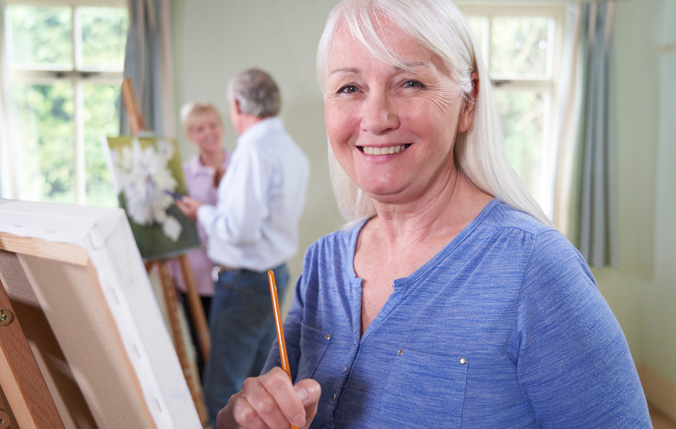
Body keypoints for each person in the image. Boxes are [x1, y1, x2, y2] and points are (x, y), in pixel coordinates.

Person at [215, 0, 652, 428]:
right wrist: (244, 420)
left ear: (468, 101)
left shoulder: (535, 269)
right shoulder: (322, 264)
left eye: (409, 83)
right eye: (350, 88)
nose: (376, 118)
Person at [176, 68, 311, 426]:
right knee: (259, 387)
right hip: (272, 274)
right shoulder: (290, 149)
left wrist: (202, 210)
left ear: (236, 105)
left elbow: (238, 230)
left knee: (225, 392)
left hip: (244, 282)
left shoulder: (253, 152)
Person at [168, 102, 229, 379]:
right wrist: (169, 273)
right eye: (199, 129)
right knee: (203, 349)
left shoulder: (241, 167)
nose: (208, 133)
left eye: (212, 125)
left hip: (233, 275)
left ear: (222, 127)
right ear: (191, 136)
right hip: (193, 277)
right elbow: (176, 228)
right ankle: (210, 419)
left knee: (233, 351)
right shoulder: (182, 175)